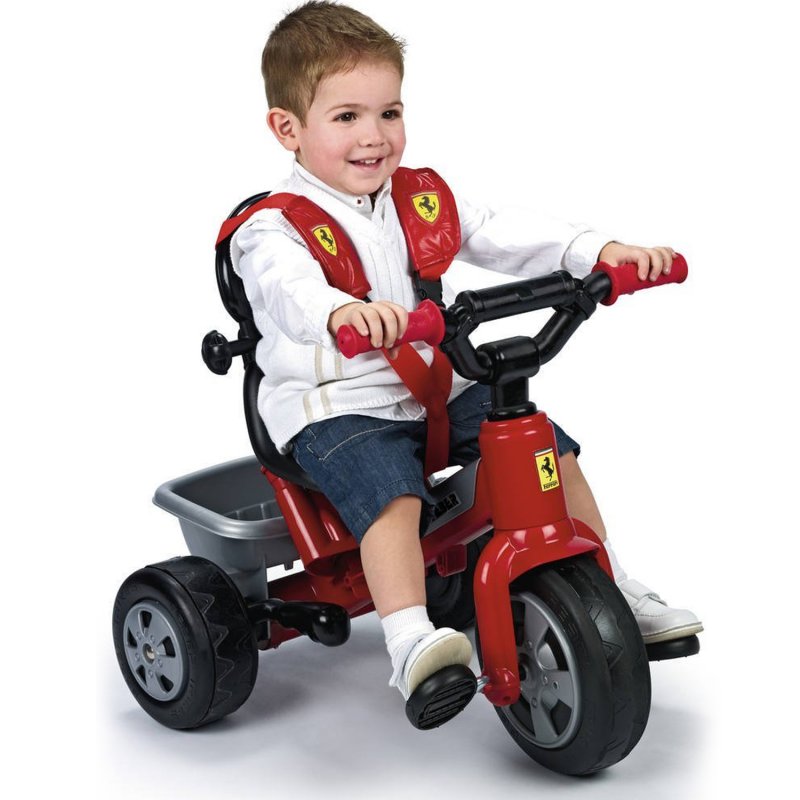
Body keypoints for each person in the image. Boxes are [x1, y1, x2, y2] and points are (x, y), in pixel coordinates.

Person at [231, 0, 702, 716]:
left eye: (389, 112)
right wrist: (339, 313)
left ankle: (609, 582)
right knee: (393, 496)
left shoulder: (416, 197)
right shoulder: (270, 228)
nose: (374, 136)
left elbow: (498, 232)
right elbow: (286, 288)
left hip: (434, 389)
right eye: (347, 116)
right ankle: (411, 642)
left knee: (545, 446)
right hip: (338, 405)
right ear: (287, 128)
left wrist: (596, 253)